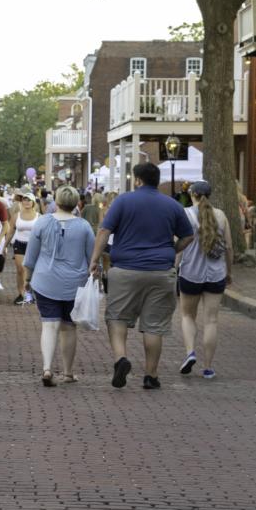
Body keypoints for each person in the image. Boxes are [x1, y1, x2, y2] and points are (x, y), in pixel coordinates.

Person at [88, 162, 194, 390]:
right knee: (154, 326)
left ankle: (120, 358)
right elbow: (188, 236)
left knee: (116, 317)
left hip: (125, 269)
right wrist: (170, 250)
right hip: (160, 271)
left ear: (137, 180)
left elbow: (104, 231)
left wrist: (95, 259)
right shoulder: (172, 205)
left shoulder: (123, 201)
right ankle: (151, 375)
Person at [23, 186, 95, 386]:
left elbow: (31, 256)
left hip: (45, 280)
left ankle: (47, 368)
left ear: (56, 201)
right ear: (76, 203)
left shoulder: (42, 222)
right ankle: (68, 372)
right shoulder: (84, 226)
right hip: (74, 283)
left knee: (49, 324)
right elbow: (92, 258)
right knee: (69, 327)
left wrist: (28, 279)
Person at [177, 181, 233, 380]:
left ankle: (190, 352)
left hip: (190, 272)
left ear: (192, 194)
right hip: (216, 274)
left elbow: (180, 245)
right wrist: (229, 272)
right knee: (211, 320)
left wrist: (175, 267)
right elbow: (228, 247)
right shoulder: (221, 216)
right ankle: (208, 367)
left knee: (187, 316)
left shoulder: (185, 214)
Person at [7, 188, 39, 305]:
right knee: (20, 269)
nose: (26, 202)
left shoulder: (39, 217)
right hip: (19, 244)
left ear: (33, 203)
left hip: (33, 245)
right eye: (25, 200)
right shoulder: (16, 216)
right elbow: (10, 232)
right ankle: (21, 294)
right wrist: (4, 246)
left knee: (31, 270)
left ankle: (30, 293)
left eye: (29, 200)